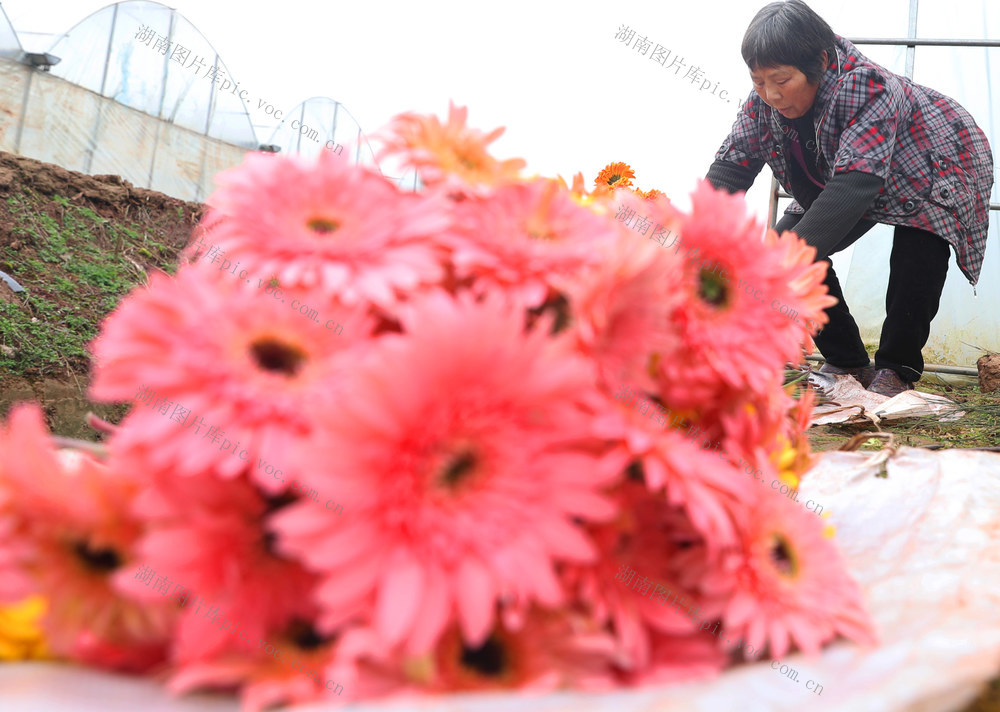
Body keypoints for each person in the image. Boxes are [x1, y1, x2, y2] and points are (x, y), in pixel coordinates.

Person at [705, 0, 994, 396]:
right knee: (783, 248)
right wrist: (694, 238)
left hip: (935, 157)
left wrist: (782, 263)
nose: (771, 93)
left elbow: (853, 187)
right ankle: (847, 360)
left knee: (918, 244)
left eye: (781, 80)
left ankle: (898, 368)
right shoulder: (764, 100)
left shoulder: (868, 87)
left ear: (820, 62)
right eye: (759, 81)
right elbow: (731, 167)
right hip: (847, 170)